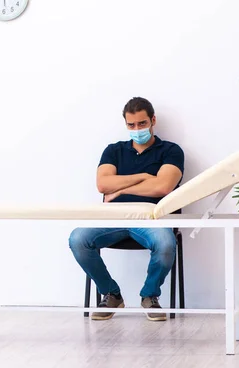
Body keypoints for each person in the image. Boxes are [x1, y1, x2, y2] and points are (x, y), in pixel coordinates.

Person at [69, 97, 184, 322]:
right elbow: (103, 185)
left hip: (152, 220)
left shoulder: (171, 151)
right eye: (131, 125)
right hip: (114, 218)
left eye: (142, 124)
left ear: (153, 120)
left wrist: (120, 188)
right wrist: (143, 176)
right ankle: (111, 294)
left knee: (166, 244)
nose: (137, 129)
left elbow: (163, 186)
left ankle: (150, 295)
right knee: (78, 239)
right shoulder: (114, 151)